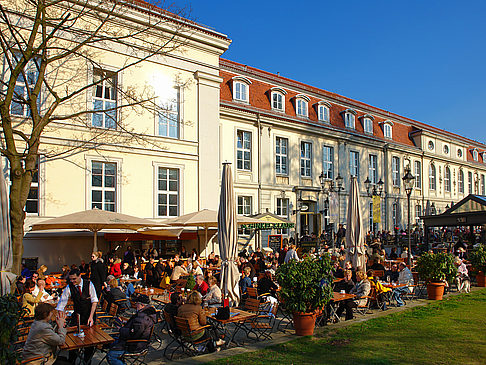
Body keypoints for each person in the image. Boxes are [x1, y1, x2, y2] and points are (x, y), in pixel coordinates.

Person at [56, 268, 99, 363]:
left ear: (79, 276)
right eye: (71, 279)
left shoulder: (89, 284)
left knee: (90, 341)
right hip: (77, 316)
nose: (72, 281)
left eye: (74, 279)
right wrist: (60, 318)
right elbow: (62, 303)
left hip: (89, 315)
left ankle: (87, 361)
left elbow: (94, 301)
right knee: (73, 340)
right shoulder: (69, 287)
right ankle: (71, 361)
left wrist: (91, 316)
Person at [106, 294, 157, 365]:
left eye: (136, 304)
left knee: (111, 355)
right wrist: (125, 323)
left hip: (134, 345)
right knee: (109, 342)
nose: (135, 305)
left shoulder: (142, 318)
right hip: (133, 342)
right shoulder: (144, 314)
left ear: (142, 305)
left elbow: (134, 334)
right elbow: (135, 328)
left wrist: (121, 329)